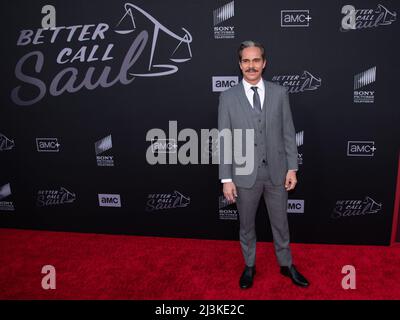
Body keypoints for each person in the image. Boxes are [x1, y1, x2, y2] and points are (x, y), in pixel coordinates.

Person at [218, 40, 309, 289]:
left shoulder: (279, 93)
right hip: (244, 175)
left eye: (256, 60)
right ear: (240, 64)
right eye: (246, 61)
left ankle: (286, 264)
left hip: (277, 173)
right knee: (246, 225)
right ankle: (249, 265)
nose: (251, 65)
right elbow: (224, 139)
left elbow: (288, 133)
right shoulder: (227, 97)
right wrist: (226, 179)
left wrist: (292, 167)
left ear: (264, 63)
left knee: (281, 223)